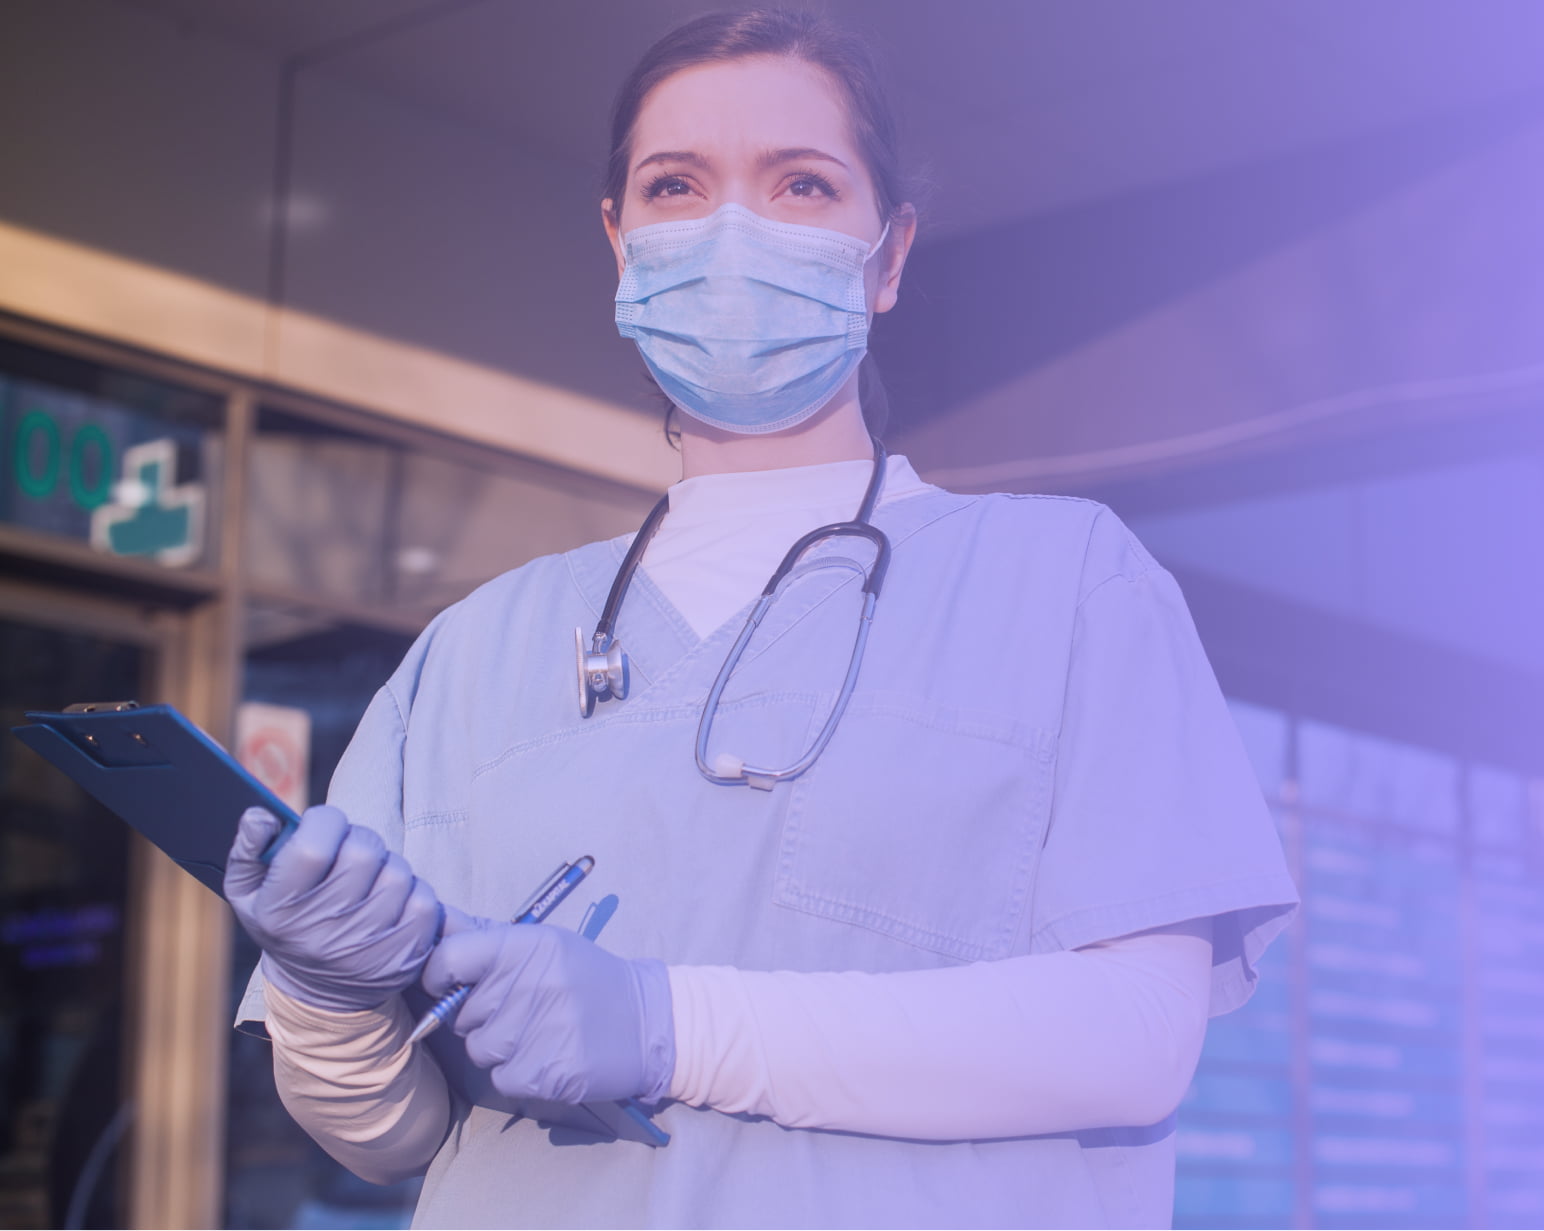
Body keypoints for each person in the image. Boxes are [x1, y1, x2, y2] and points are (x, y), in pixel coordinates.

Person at [220, 9, 1299, 1228]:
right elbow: (390, 1135)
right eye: (676, 185)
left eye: (800, 183)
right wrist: (324, 995)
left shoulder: (1066, 582)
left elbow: (1136, 1038)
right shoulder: (475, 649)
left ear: (887, 258)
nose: (731, 231)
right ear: (620, 244)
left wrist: (672, 1026)